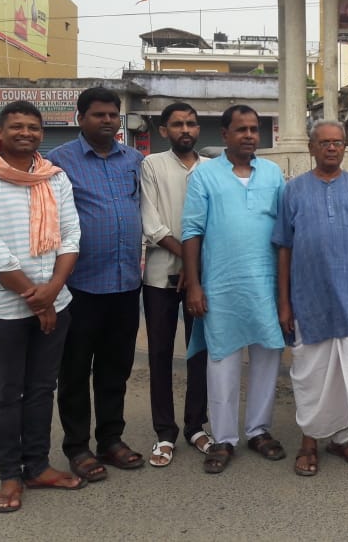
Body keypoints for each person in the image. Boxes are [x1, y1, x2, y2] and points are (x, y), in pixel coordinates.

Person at [0, 100, 84, 513]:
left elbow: (71, 236)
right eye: (17, 126)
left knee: (40, 390)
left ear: (41, 133)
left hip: (55, 301)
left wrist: (53, 291)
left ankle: (37, 466)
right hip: (5, 311)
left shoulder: (55, 179)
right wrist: (40, 301)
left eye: (33, 127)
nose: (26, 133)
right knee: (6, 394)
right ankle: (9, 475)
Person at [182, 105, 287, 474]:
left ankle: (259, 431)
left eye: (254, 130)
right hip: (221, 286)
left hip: (265, 284)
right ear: (224, 134)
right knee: (222, 361)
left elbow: (285, 234)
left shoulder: (273, 174)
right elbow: (192, 231)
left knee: (266, 357)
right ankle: (224, 439)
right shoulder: (204, 176)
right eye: (240, 129)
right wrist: (194, 284)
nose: (249, 136)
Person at [48, 87, 145, 482]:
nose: (107, 121)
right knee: (74, 371)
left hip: (125, 285)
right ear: (80, 117)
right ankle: (77, 447)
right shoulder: (58, 163)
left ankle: (111, 440)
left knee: (115, 367)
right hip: (80, 287)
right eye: (98, 115)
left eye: (112, 115)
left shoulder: (135, 160)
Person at [274, 121, 348, 477]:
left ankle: (342, 438)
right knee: (312, 375)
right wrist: (285, 303)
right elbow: (285, 249)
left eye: (338, 143)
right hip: (310, 299)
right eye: (325, 143)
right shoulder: (293, 191)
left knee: (347, 375)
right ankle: (309, 442)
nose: (332, 148)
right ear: (311, 148)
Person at [140, 102, 210, 468]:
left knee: (200, 352)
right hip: (159, 276)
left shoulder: (213, 169)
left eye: (192, 124)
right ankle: (164, 433)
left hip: (202, 279)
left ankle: (196, 426)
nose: (186, 129)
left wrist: (196, 268)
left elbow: (218, 221)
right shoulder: (151, 165)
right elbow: (151, 222)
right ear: (164, 130)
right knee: (160, 355)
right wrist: (187, 259)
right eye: (178, 124)